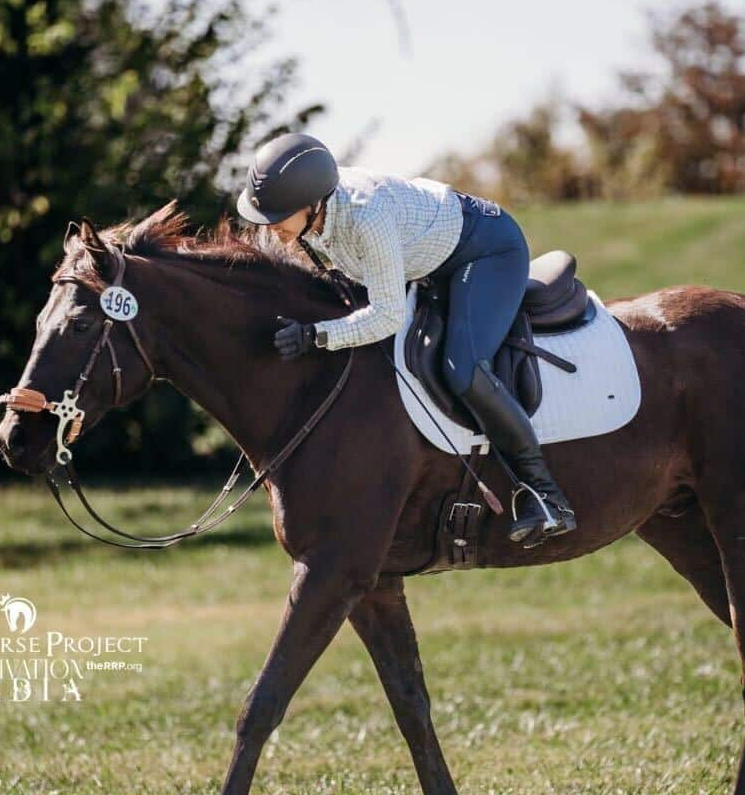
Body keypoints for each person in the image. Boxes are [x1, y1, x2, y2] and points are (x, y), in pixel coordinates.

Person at [235, 132, 576, 546]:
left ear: (312, 204)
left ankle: (544, 494)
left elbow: (388, 315)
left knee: (461, 368)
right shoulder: (314, 212)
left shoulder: (364, 216)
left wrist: (317, 335)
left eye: (278, 216)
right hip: (431, 256)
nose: (271, 227)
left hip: (487, 252)